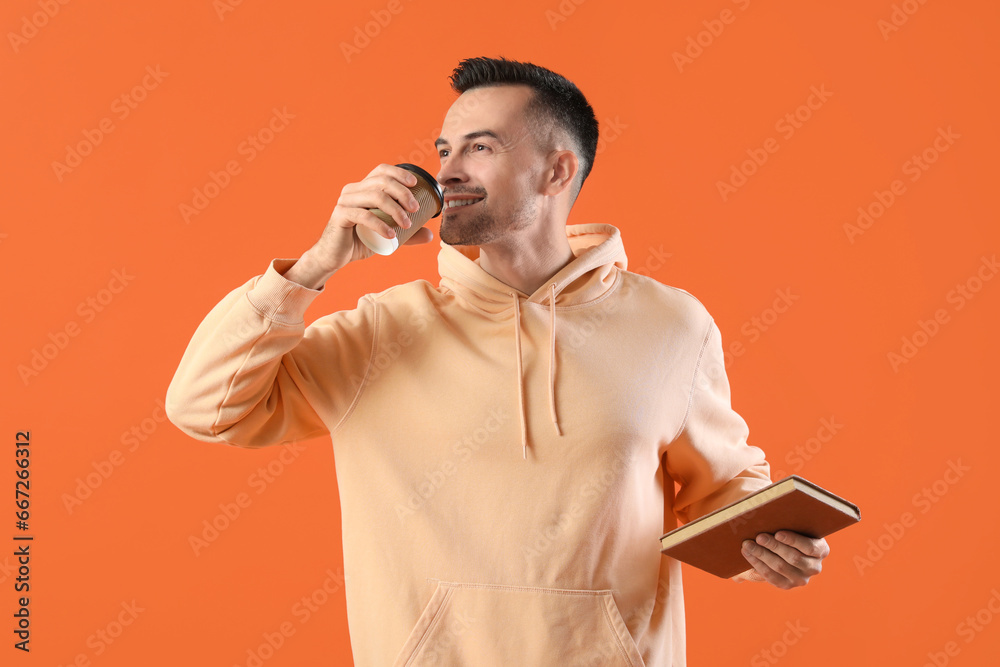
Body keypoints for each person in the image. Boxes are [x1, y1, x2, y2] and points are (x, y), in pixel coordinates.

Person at [165, 56, 829, 667]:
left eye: (479, 147)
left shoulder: (671, 325)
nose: (447, 171)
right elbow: (203, 407)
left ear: (557, 170)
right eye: (444, 150)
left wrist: (771, 547)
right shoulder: (382, 330)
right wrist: (314, 266)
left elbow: (725, 491)